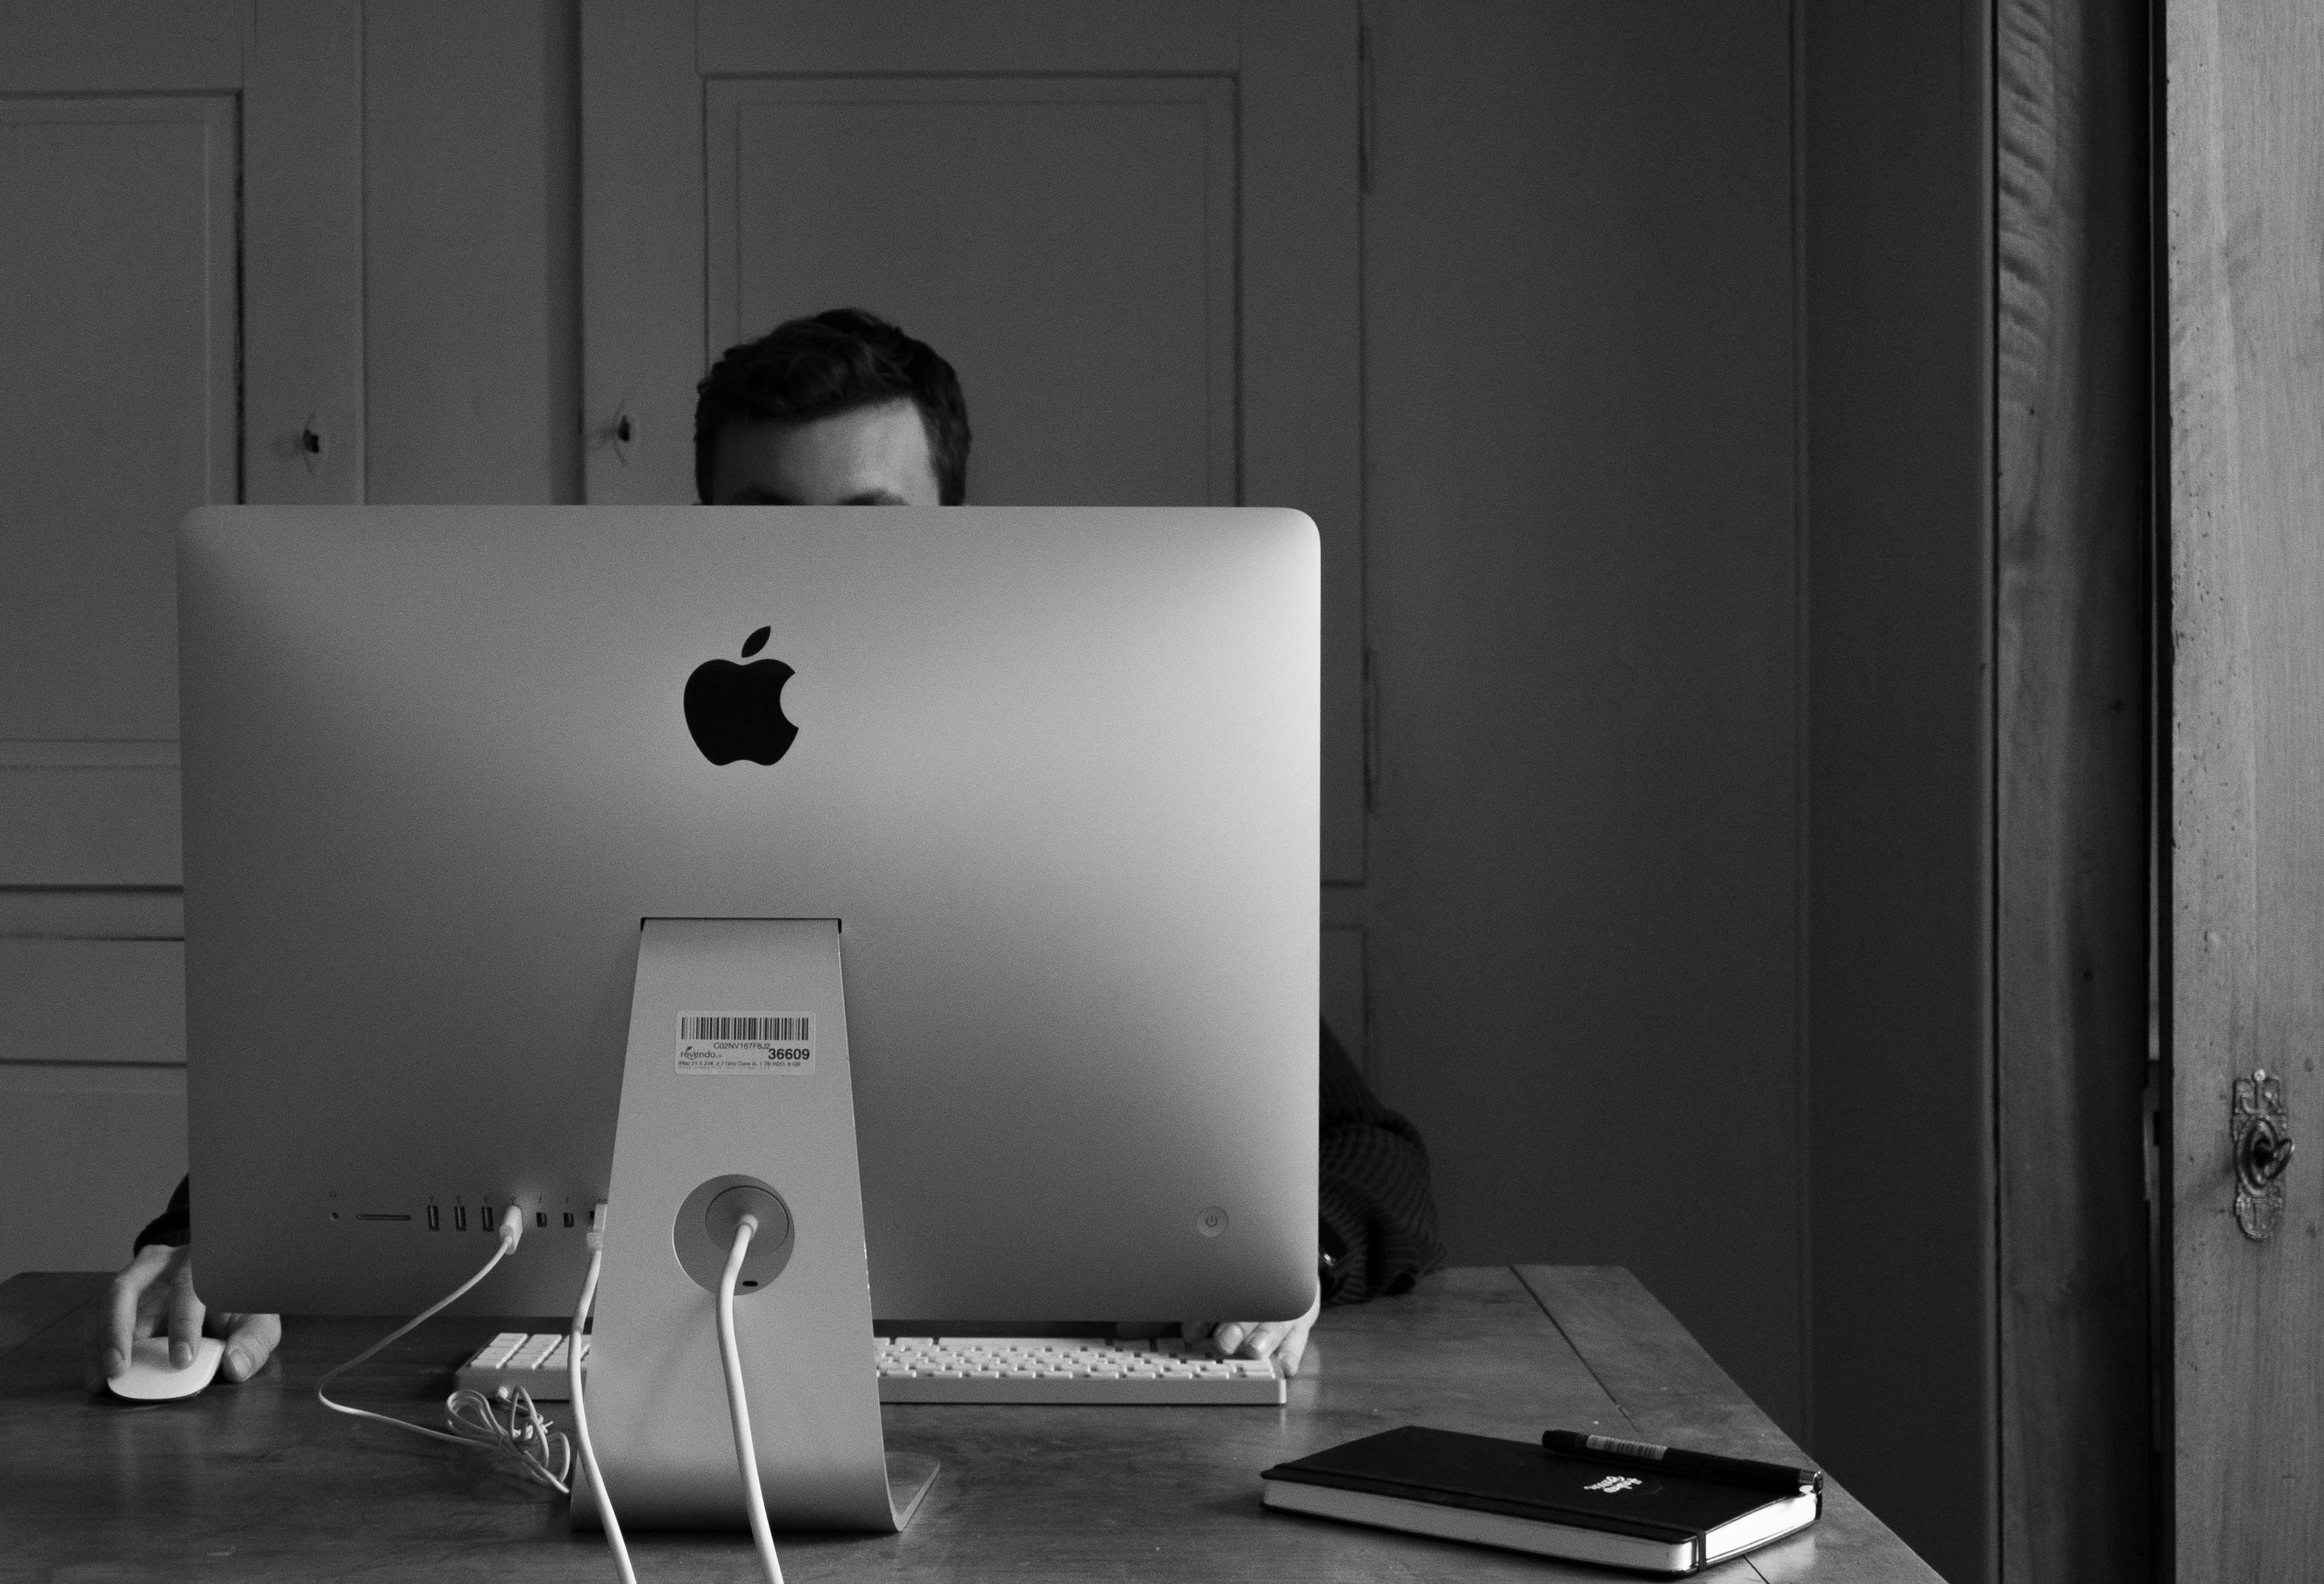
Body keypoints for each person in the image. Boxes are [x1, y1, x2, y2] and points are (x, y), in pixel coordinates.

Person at [98, 308, 1442, 1388]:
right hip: (622, 1406)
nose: (818, 581)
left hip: (1035, 1428)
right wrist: (207, 1243)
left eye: (869, 532)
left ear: (964, 538)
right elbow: (389, 1047)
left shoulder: (1095, 792)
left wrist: (1294, 1264)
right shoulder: (558, 771)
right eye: (765, 529)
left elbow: (1373, 1162)